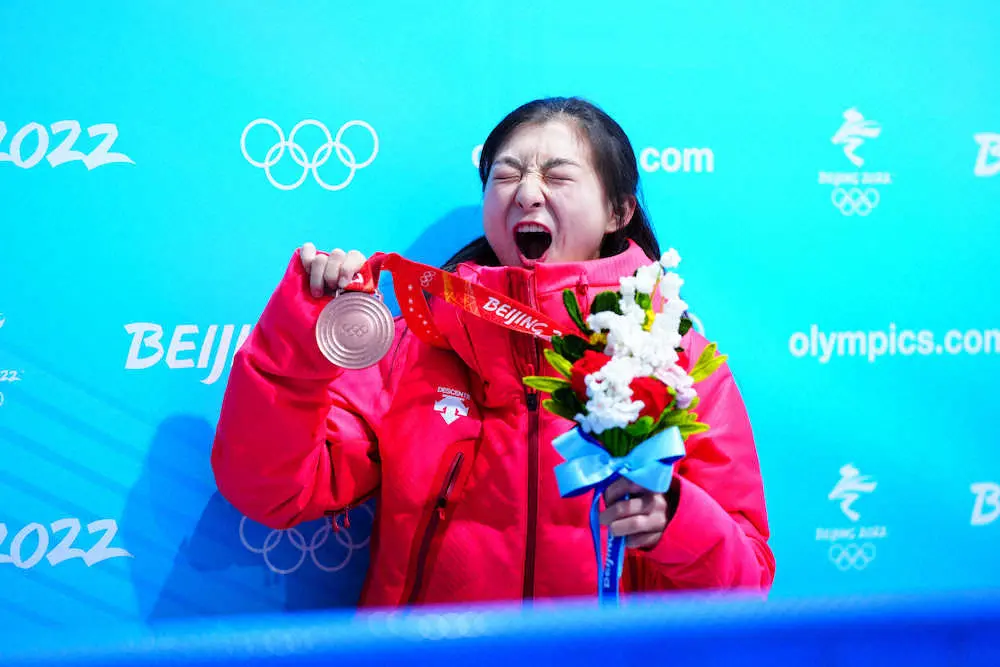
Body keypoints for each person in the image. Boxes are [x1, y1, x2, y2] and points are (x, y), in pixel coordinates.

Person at [212, 97, 774, 606]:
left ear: (618, 212)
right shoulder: (419, 342)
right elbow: (276, 491)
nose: (527, 192)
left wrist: (675, 520)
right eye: (506, 175)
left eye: (558, 176)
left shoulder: (675, 360)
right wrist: (307, 333)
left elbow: (747, 580)